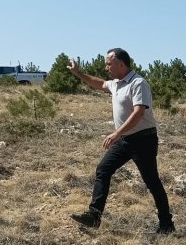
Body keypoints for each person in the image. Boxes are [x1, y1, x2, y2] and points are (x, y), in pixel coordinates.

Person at [67, 48, 175, 233]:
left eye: (109, 64)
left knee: (151, 181)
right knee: (103, 170)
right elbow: (100, 84)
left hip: (143, 139)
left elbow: (139, 113)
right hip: (125, 140)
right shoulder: (116, 83)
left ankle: (166, 224)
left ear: (121, 64)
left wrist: (116, 133)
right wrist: (79, 73)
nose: (106, 68)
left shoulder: (138, 83)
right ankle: (94, 216)